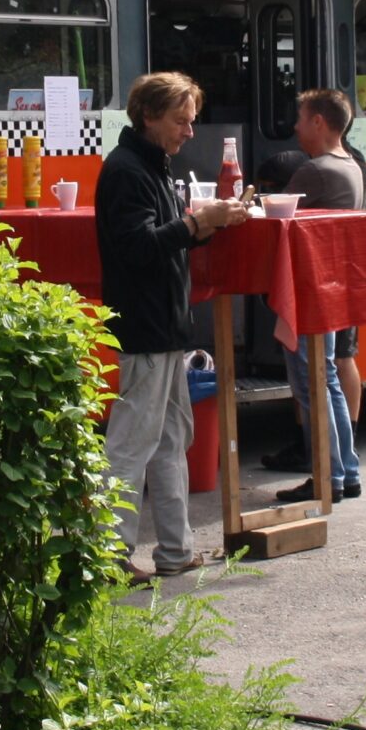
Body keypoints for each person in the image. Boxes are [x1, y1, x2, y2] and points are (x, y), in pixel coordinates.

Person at [96, 72, 251, 580]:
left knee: (168, 439)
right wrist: (196, 224)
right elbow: (138, 247)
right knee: (133, 442)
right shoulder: (128, 170)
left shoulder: (148, 165)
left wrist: (208, 225)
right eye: (181, 121)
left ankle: (175, 550)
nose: (189, 131)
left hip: (160, 324)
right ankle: (108, 557)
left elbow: (159, 240)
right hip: (146, 324)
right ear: (149, 116)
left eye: (191, 120)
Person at [270, 87, 366, 504]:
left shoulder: (315, 171)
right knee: (326, 380)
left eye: (300, 119)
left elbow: (274, 217)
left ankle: (326, 476)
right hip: (332, 287)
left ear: (318, 122)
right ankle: (345, 472)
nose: (295, 128)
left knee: (312, 384)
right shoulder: (351, 166)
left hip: (310, 291)